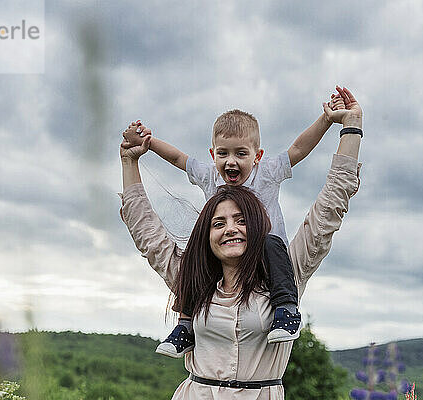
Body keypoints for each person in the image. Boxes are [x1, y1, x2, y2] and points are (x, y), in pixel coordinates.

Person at [119, 86, 363, 398]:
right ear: (207, 234)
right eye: (218, 223)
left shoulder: (285, 274)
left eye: (242, 220)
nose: (230, 229)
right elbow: (149, 236)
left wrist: (351, 127)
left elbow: (329, 208)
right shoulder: (192, 278)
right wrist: (130, 160)